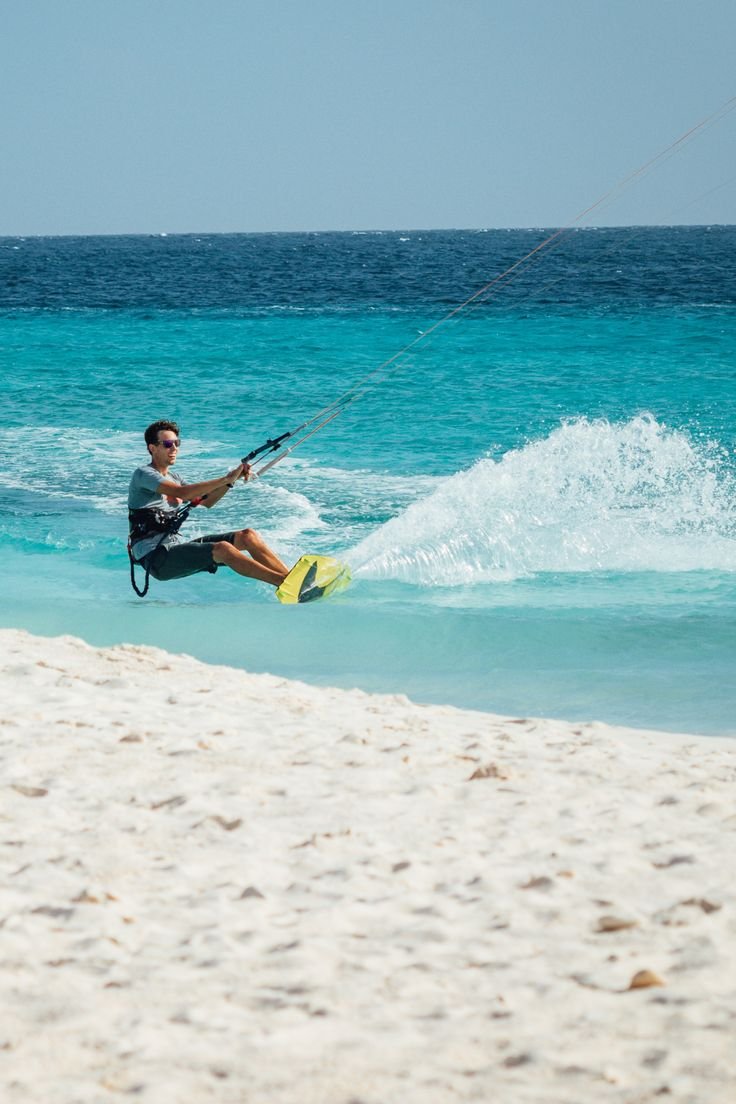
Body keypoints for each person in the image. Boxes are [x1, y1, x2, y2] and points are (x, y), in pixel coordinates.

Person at [128, 420, 290, 588]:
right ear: (152, 448)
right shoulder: (143, 474)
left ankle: (292, 579)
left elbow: (208, 501)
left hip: (174, 548)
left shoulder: (175, 477)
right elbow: (183, 493)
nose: (174, 448)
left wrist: (231, 481)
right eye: (168, 444)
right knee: (223, 549)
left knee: (248, 536)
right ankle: (283, 583)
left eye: (177, 443)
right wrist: (225, 478)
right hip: (154, 557)